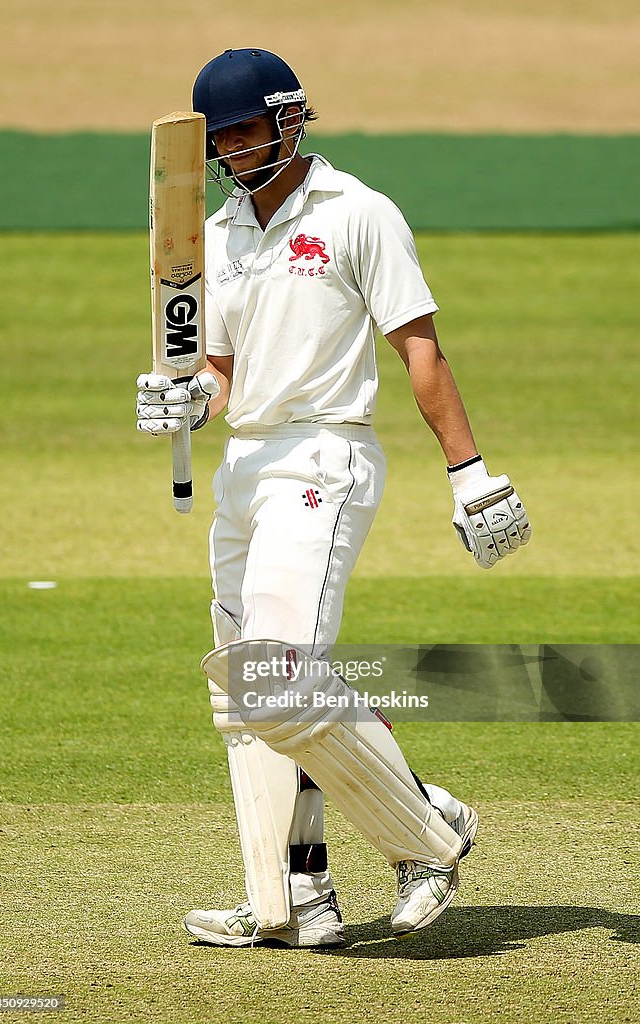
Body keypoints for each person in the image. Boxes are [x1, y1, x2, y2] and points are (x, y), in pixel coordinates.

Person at [136, 48, 531, 948]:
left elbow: (419, 349)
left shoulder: (357, 213)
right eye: (219, 140)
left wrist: (471, 475)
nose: (234, 152)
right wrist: (188, 397)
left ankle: (428, 831)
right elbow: (223, 372)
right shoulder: (219, 237)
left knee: (277, 676)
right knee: (246, 696)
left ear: (290, 119)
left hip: (325, 457)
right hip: (244, 464)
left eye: (245, 130)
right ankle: (292, 898)